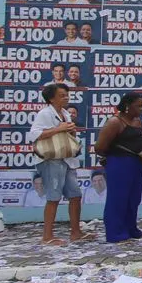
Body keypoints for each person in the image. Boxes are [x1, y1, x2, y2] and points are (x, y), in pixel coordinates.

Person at [27, 82, 90, 246]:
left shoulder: (64, 113)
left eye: (67, 95)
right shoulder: (44, 114)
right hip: (51, 159)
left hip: (66, 158)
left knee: (75, 195)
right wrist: (59, 128)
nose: (66, 98)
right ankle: (47, 236)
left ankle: (76, 232)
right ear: (51, 98)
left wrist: (70, 130)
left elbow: (66, 133)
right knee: (53, 197)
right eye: (62, 95)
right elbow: (34, 135)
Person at [95, 92, 142, 243]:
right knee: (118, 198)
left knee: (133, 198)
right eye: (139, 106)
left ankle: (130, 228)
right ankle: (115, 233)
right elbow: (100, 147)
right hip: (120, 164)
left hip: (138, 164)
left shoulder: (137, 121)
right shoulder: (115, 122)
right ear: (128, 106)